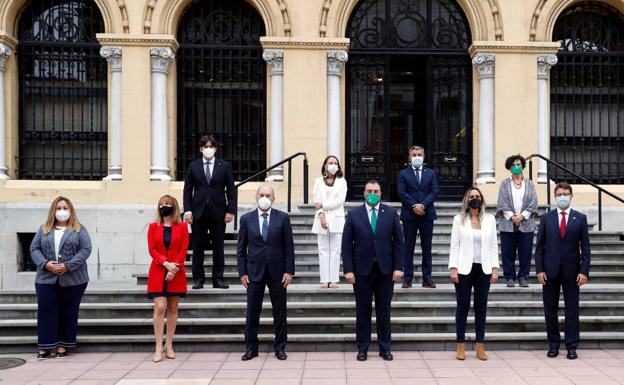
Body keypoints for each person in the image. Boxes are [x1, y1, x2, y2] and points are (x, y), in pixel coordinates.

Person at [342, 180, 404, 362]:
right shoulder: (354, 214)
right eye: (369, 190)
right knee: (363, 311)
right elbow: (346, 244)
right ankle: (362, 348)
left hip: (385, 271)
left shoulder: (391, 213)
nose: (373, 193)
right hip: (361, 271)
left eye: (376, 191)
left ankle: (385, 347)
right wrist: (348, 270)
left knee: (384, 311)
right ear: (364, 193)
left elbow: (399, 242)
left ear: (381, 193)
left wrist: (398, 267)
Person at [237, 185, 295, 361]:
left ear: (273, 198)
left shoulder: (283, 218)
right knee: (252, 312)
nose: (264, 197)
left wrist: (289, 271)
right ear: (256, 197)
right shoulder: (246, 219)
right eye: (261, 194)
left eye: (268, 195)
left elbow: (289, 248)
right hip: (254, 272)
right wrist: (242, 272)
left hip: (278, 272)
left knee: (280, 312)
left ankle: (280, 347)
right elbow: (241, 249)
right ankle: (251, 348)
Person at [29, 196, 92, 359]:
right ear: (53, 210)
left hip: (73, 279)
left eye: (65, 208)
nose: (62, 211)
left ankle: (64, 344)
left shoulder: (79, 229)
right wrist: (45, 264)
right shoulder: (44, 228)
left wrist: (68, 266)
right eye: (59, 208)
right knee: (46, 309)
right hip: (46, 278)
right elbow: (34, 248)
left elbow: (85, 249)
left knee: (68, 311)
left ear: (71, 210)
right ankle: (45, 346)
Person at [535, 182, 591, 360]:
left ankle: (572, 346)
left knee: (572, 310)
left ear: (571, 196)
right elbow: (540, 248)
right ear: (555, 196)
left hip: (572, 272)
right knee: (550, 310)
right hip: (549, 271)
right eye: (559, 194)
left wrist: (584, 271)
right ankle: (553, 345)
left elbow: (586, 249)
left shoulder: (580, 218)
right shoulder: (546, 218)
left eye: (566, 193)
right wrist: (540, 270)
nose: (563, 197)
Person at [449, 187, 499, 361]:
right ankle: (460, 346)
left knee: (481, 307)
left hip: (483, 269)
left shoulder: (490, 220)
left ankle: (480, 346)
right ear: (467, 200)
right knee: (462, 307)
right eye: (472, 196)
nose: (475, 199)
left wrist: (495, 267)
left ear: (482, 199)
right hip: (463, 269)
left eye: (477, 196)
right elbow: (454, 244)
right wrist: (453, 268)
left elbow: (493, 244)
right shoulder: (459, 220)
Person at [183, 135, 236, 289]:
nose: (208, 149)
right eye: (205, 147)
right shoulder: (193, 166)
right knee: (197, 246)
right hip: (198, 212)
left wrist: (230, 210)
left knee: (218, 247)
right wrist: (187, 210)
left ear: (215, 149)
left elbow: (231, 190)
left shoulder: (224, 166)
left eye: (211, 146)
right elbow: (188, 190)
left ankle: (218, 279)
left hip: (218, 212)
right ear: (200, 149)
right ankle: (198, 279)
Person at [147, 195, 189, 362]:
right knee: (160, 307)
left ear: (174, 207)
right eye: (162, 204)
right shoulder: (153, 227)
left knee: (173, 308)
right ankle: (158, 346)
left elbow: (184, 248)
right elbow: (152, 249)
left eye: (168, 204)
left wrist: (175, 267)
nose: (164, 206)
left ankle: (169, 344)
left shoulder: (183, 226)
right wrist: (166, 264)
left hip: (176, 272)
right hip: (158, 270)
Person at [397, 146, 438, 288]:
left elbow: (433, 192)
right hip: (409, 215)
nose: (417, 157)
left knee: (427, 247)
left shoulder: (431, 173)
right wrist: (415, 205)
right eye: (414, 154)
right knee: (408, 247)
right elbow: (401, 193)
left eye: (419, 154)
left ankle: (427, 279)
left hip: (427, 215)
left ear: (424, 156)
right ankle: (407, 278)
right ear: (409, 157)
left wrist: (423, 206)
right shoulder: (403, 174)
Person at [496, 155, 539, 287]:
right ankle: (509, 277)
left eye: (519, 164)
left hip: (526, 223)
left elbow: (533, 202)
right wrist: (512, 216)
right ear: (510, 167)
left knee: (525, 252)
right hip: (508, 223)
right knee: (507, 251)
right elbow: (501, 202)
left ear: (523, 166)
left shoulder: (530, 184)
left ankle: (523, 277)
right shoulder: (504, 183)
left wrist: (522, 216)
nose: (516, 167)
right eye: (514, 164)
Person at [311, 156, 348, 288]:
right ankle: (324, 279)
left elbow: (340, 200)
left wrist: (323, 205)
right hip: (321, 218)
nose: (332, 165)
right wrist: (321, 215)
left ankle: (333, 279)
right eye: (330, 163)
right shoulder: (318, 181)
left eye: (335, 163)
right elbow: (316, 201)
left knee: (335, 249)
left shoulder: (342, 182)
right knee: (323, 250)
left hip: (336, 219)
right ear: (325, 166)